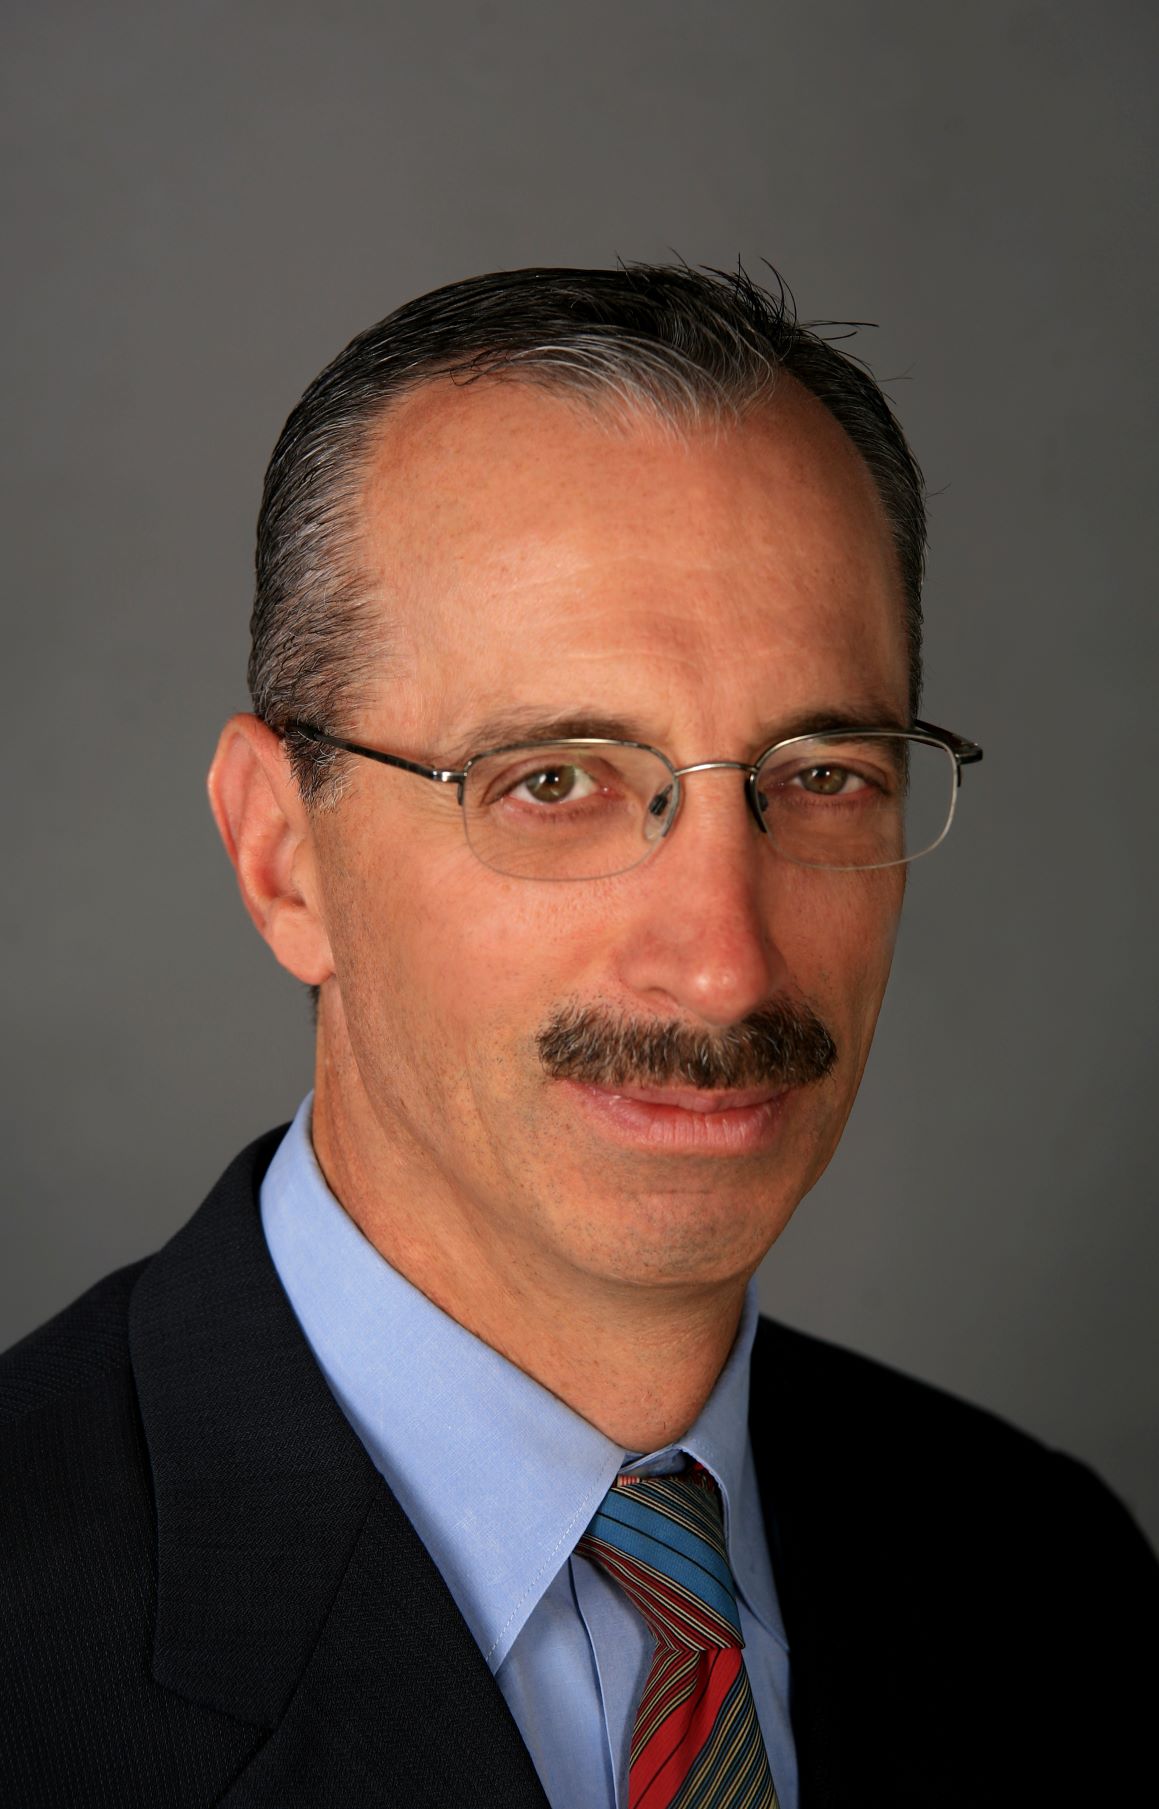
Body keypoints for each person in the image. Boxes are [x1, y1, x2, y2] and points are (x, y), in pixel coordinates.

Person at [1, 265, 1154, 1809]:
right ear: (284, 857)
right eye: (555, 780)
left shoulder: (1048, 1576)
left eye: (820, 774)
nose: (723, 965)